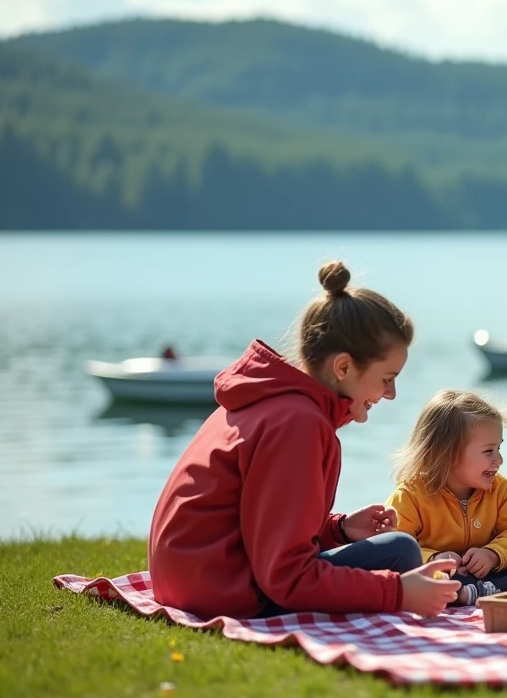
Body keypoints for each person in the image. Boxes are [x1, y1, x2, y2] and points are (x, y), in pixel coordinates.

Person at [148, 261, 460, 621]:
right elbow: (287, 577)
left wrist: (338, 529)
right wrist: (397, 592)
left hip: (190, 582)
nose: (391, 394)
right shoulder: (300, 424)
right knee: (400, 551)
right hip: (222, 593)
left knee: (395, 551)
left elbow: (256, 522)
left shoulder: (268, 400)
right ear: (343, 367)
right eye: (387, 378)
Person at [388, 390, 507, 605]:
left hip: (495, 574)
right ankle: (474, 592)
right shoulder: (411, 494)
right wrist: (433, 559)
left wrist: (493, 554)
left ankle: (483, 592)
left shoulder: (500, 489)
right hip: (446, 577)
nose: (499, 459)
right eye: (489, 451)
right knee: (424, 577)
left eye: (499, 448)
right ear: (448, 454)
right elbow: (394, 547)